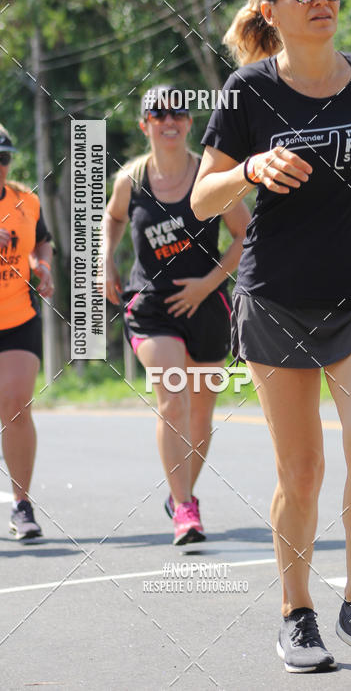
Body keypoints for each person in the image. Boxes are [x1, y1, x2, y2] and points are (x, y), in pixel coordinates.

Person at [191, 0, 351, 675]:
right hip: (277, 299)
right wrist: (249, 169)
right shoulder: (247, 90)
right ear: (271, 9)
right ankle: (296, 611)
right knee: (302, 470)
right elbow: (200, 198)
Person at [103, 90, 250, 545]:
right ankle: (185, 509)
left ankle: (180, 490)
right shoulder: (131, 178)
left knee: (201, 413)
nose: (169, 121)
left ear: (190, 123)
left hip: (206, 305)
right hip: (152, 305)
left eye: (178, 113)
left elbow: (245, 237)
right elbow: (113, 219)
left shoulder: (213, 176)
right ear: (143, 123)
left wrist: (207, 284)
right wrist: (106, 259)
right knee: (173, 397)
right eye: (158, 114)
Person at [0, 124, 54, 542]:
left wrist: (42, 266)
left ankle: (21, 505)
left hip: (17, 318)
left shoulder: (26, 202)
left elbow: (42, 243)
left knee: (16, 405)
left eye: (3, 159)